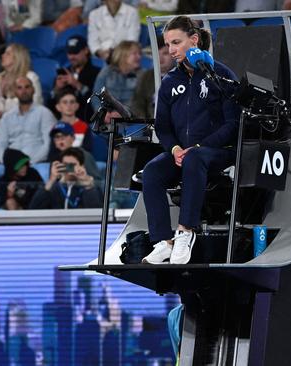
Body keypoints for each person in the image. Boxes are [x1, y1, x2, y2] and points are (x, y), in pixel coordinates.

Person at [141, 15, 241, 265]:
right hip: (183, 154)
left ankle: (186, 232)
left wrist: (198, 147)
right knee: (151, 171)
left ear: (194, 40)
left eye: (177, 42)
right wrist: (174, 149)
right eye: (168, 44)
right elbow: (162, 127)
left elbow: (232, 125)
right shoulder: (169, 81)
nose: (171, 50)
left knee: (195, 158)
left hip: (218, 151)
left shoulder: (222, 75)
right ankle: (163, 242)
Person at [0, 76, 56, 163]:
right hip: (12, 164)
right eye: (19, 88)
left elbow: (48, 144)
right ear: (15, 92)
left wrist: (29, 163)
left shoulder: (44, 113)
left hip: (36, 163)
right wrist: (7, 162)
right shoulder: (7, 117)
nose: (24, 91)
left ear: (33, 90)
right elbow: (0, 144)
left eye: (27, 87)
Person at [0, 43, 43, 128]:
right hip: (2, 128)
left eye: (8, 53)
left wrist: (5, 113)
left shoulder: (31, 77)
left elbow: (34, 106)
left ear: (18, 58)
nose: (2, 55)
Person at [30, 147, 102, 209]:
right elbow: (34, 209)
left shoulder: (93, 187)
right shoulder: (54, 188)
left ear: (82, 166)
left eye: (72, 165)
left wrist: (87, 184)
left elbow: (95, 211)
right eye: (65, 165)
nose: (69, 168)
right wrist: (51, 180)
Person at [48, 35, 100, 120]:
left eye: (75, 52)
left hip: (88, 121)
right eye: (69, 53)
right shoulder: (63, 73)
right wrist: (56, 90)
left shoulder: (97, 73)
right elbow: (51, 107)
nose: (72, 57)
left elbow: (98, 103)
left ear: (86, 50)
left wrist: (79, 86)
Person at [92, 40, 142, 111]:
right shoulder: (106, 72)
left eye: (139, 54)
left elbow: (140, 101)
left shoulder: (143, 75)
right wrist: (101, 112)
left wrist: (122, 112)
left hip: (129, 118)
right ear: (123, 55)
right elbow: (96, 96)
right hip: (106, 116)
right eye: (134, 53)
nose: (139, 57)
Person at [131, 39, 174, 118]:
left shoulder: (181, 76)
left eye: (165, 53)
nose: (160, 59)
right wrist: (145, 123)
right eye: (156, 54)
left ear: (173, 55)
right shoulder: (146, 76)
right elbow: (137, 103)